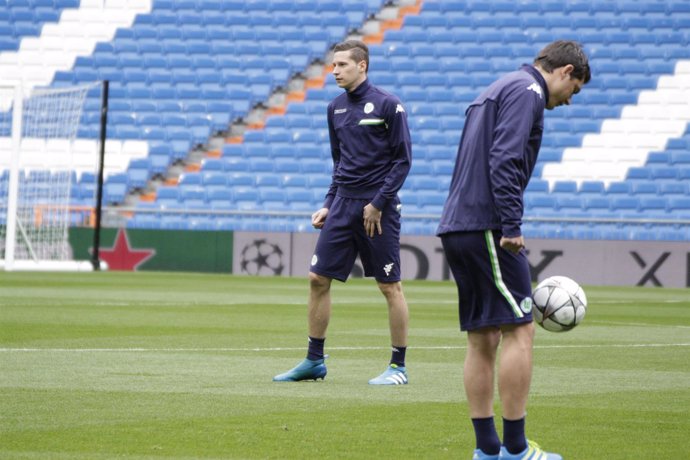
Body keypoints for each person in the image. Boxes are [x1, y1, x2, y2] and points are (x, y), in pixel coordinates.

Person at [437, 41, 591, 459]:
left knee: (482, 339)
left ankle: (487, 449)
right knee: (520, 330)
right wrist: (511, 224)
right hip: (489, 224)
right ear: (564, 71)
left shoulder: (496, 87)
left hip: (459, 224)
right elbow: (504, 158)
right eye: (573, 90)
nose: (569, 100)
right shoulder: (529, 92)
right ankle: (517, 449)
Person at [273, 40, 413, 385]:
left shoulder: (388, 105)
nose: (334, 71)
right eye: (333, 65)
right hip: (342, 205)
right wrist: (327, 202)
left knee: (389, 286)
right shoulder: (334, 108)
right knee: (317, 279)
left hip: (376, 209)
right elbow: (340, 164)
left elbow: (402, 161)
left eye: (341, 65)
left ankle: (398, 367)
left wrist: (378, 203)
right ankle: (314, 360)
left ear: (361, 66)